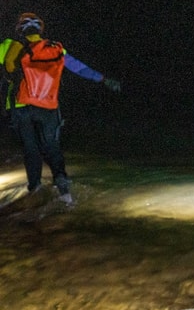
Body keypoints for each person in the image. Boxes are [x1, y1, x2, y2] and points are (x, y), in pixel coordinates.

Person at [4, 13, 121, 202]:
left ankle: (35, 191)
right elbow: (79, 68)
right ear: (40, 30)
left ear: (20, 29)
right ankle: (64, 189)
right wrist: (103, 79)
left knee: (31, 149)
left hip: (20, 107)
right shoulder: (55, 48)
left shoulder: (9, 46)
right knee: (52, 146)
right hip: (48, 106)